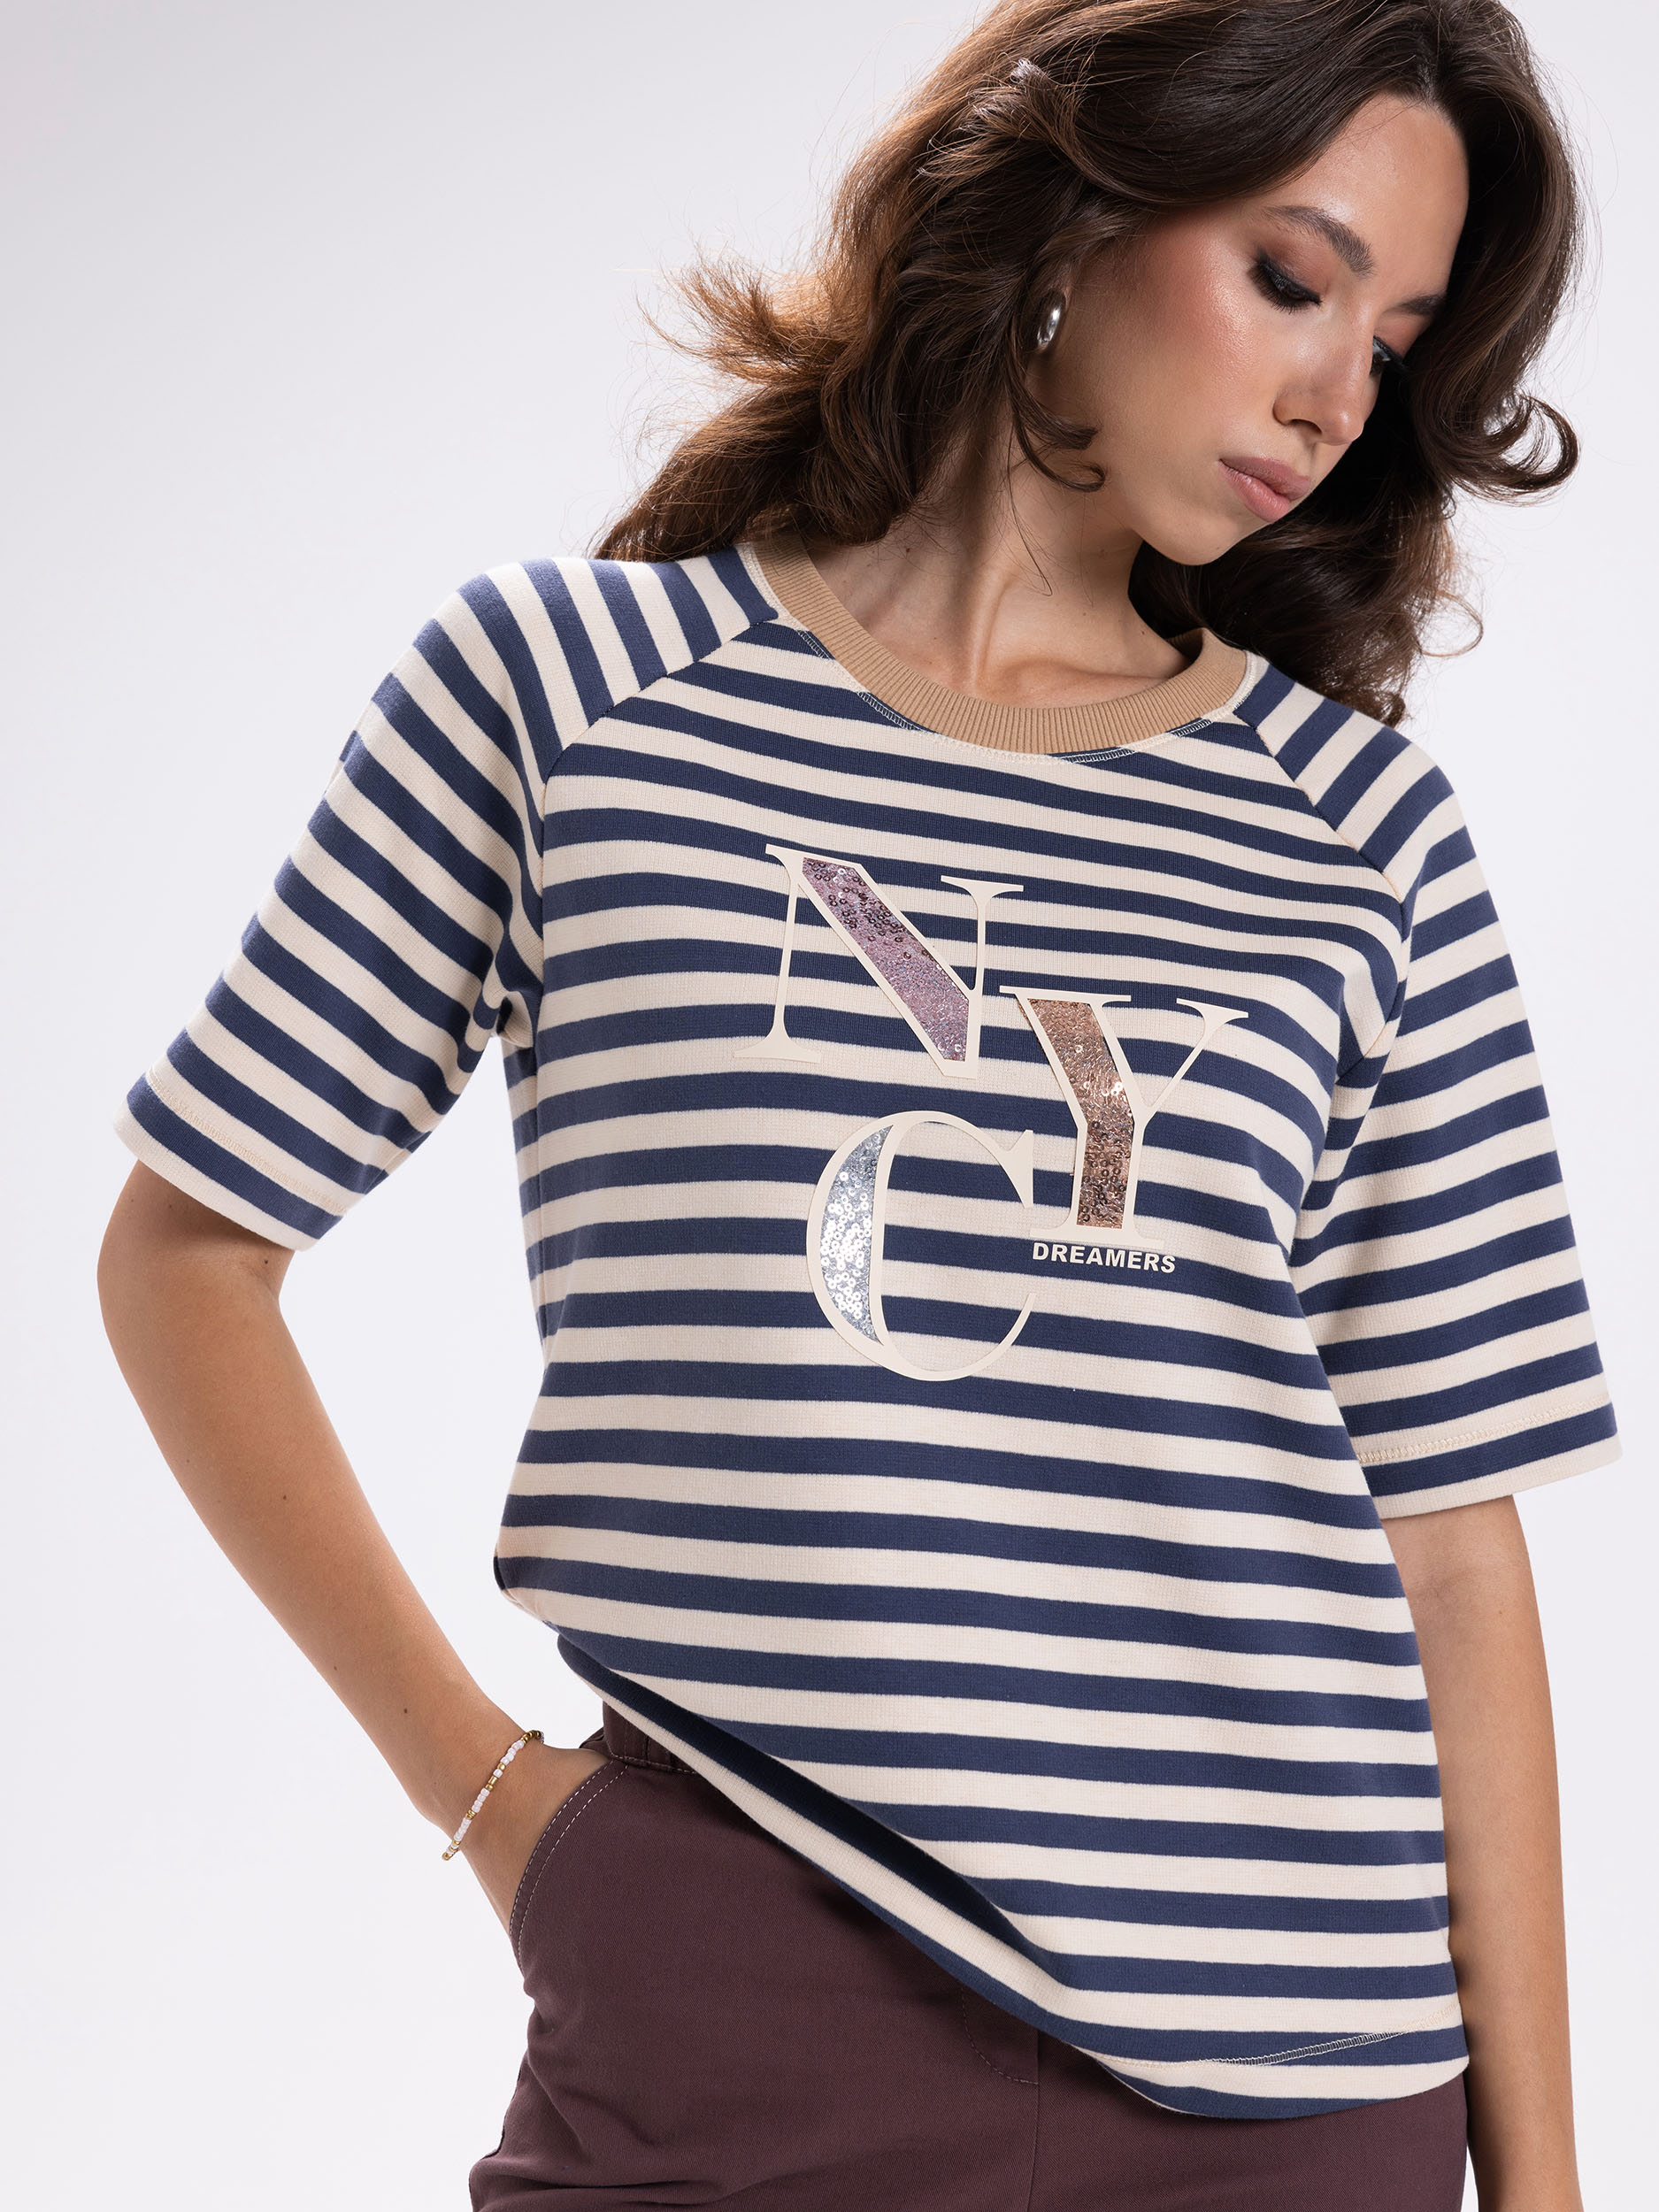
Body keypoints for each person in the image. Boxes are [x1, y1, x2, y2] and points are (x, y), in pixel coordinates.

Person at [98, 2, 1619, 2206]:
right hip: (728, 2004)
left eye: (1386, 347)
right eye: (1290, 278)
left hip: (1300, 2074)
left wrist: (1542, 2182)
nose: (1329, 393)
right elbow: (188, 1251)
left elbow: (1450, 1541)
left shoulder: (1354, 834)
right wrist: (501, 1808)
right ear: (1071, 221)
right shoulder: (568, 696)